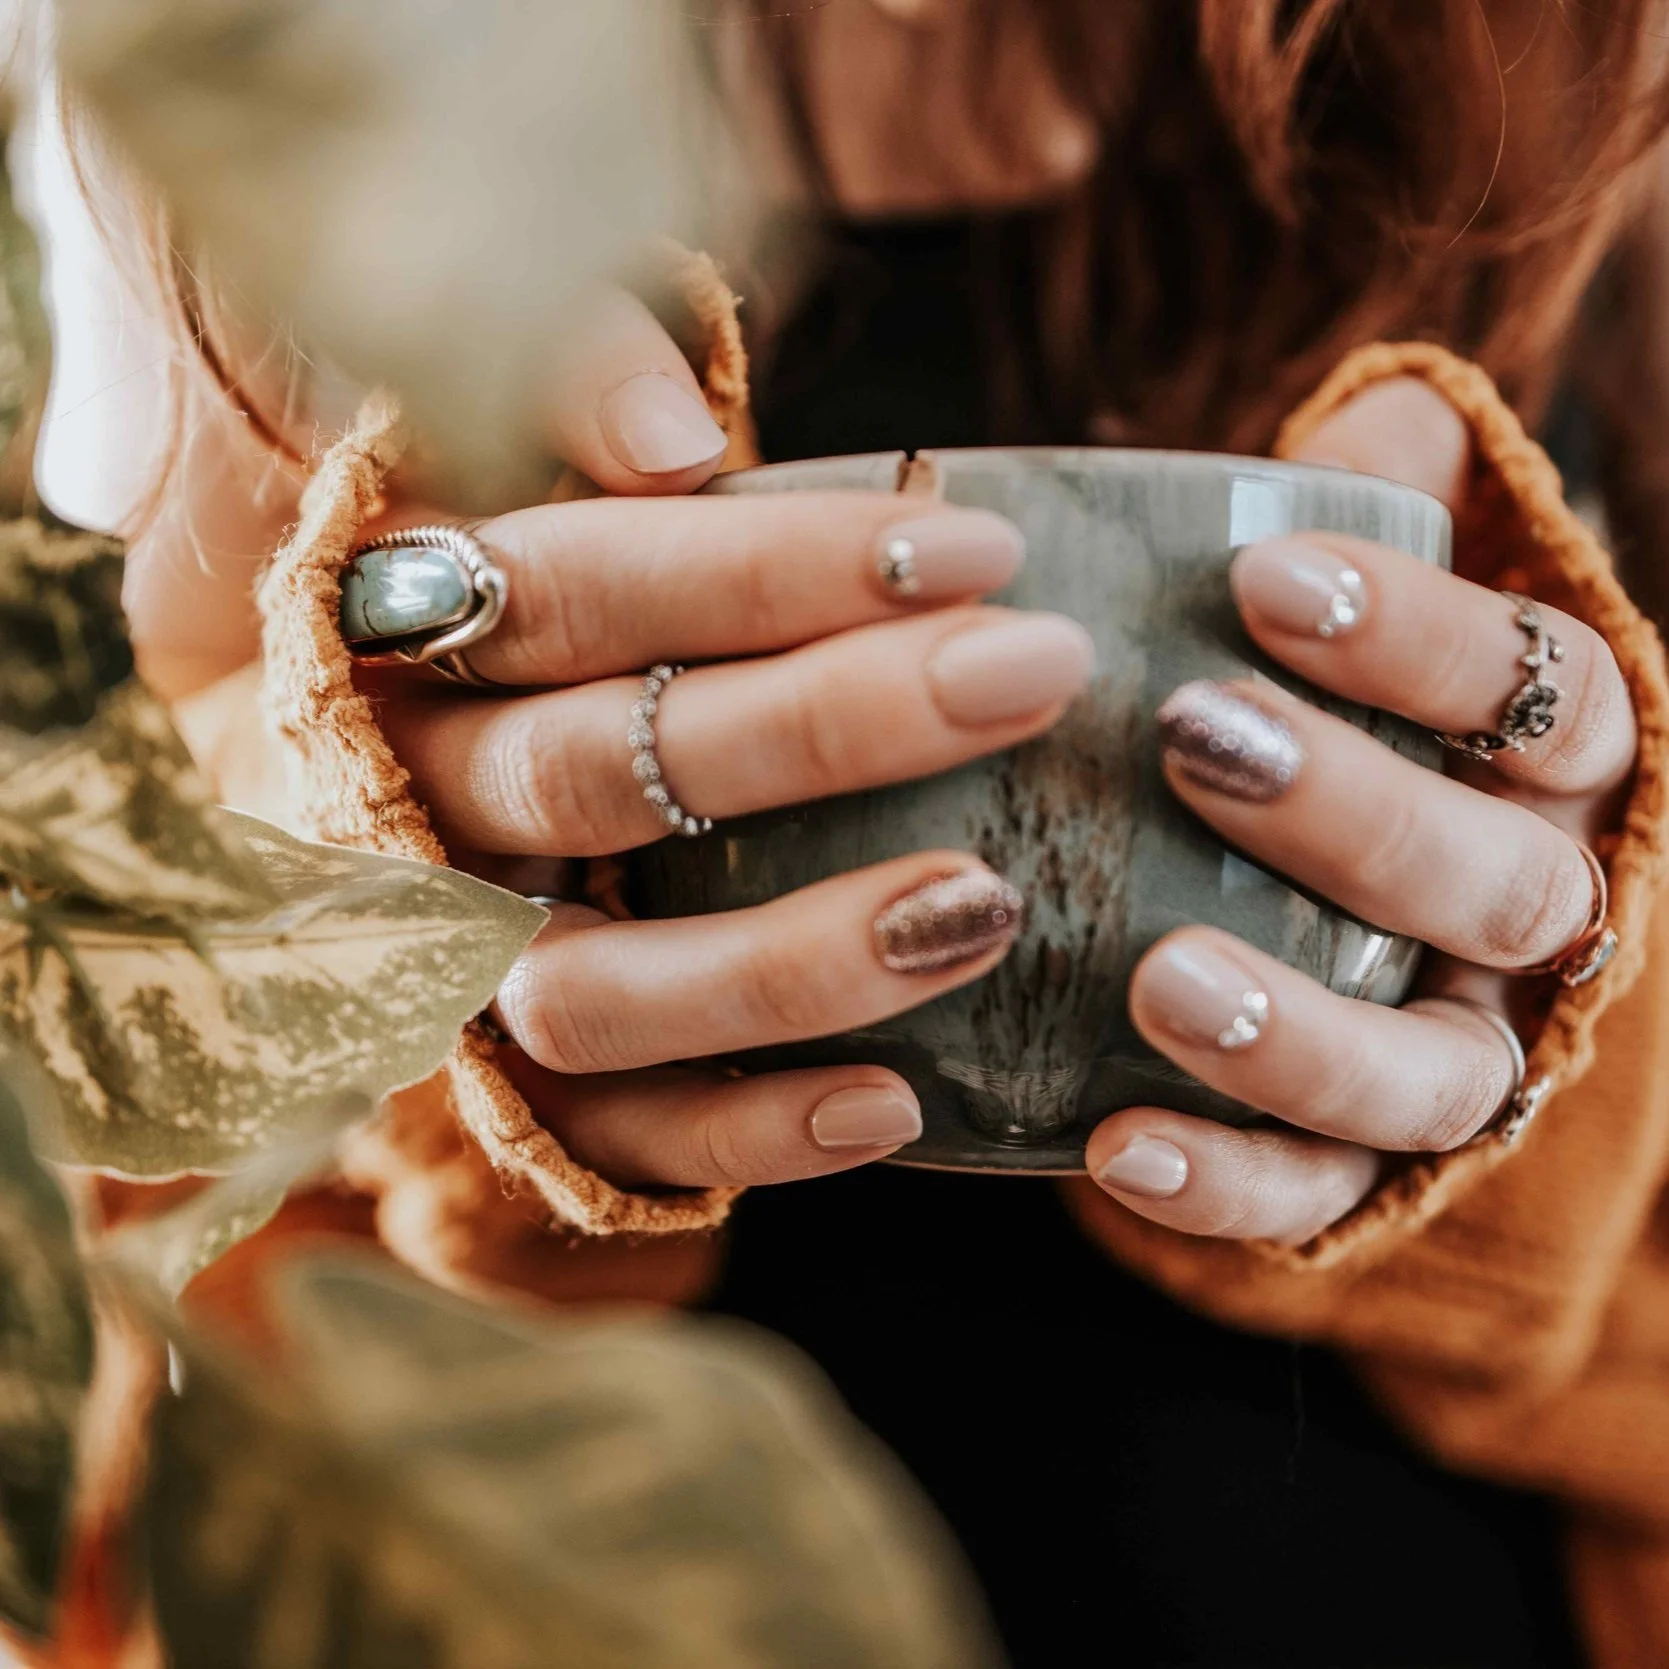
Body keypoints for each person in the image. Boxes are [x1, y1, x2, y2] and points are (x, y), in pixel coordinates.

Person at [31, 3, 1669, 1663]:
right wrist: (374, 864)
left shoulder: (1581, 74)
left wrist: (1543, 998)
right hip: (534, 1581)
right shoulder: (317, 68)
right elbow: (89, 945)